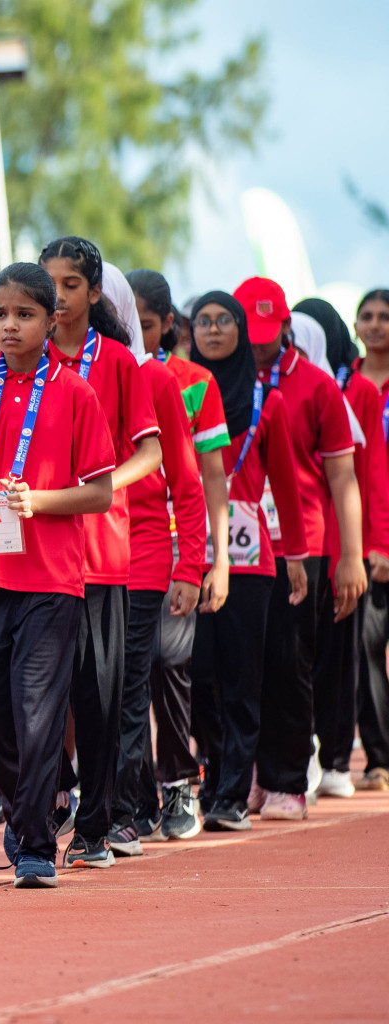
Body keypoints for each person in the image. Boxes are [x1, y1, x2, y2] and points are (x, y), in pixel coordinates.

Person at [0, 262, 116, 889]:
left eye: (24, 314)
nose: (9, 326)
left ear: (51, 319)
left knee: (37, 711)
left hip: (50, 579)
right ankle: (36, 801)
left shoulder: (75, 392)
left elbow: (99, 494)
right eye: (0, 314)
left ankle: (36, 844)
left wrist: (36, 501)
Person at [38, 238, 161, 869]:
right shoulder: (21, 361)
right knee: (20, 697)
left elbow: (151, 452)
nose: (57, 297)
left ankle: (99, 823)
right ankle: (46, 804)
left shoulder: (115, 362)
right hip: (31, 552)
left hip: (100, 551)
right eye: (48, 283)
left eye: (69, 284)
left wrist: (103, 483)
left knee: (100, 696)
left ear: (93, 293)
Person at [238, 277, 367, 821]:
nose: (262, 344)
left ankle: (288, 778)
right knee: (241, 665)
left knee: (291, 665)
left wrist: (351, 555)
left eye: (271, 334)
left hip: (302, 544)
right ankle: (245, 776)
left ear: (288, 328)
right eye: (254, 333)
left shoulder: (316, 385)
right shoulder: (224, 382)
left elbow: (343, 478)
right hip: (239, 545)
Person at [186, 290, 308, 830]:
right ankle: (211, 777)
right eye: (203, 322)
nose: (212, 331)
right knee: (197, 676)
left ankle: (233, 794)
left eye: (224, 321)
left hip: (251, 562)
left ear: (240, 331)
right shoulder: (178, 392)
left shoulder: (269, 401)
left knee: (240, 678)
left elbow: (284, 484)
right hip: (187, 550)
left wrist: (297, 558)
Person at [105, 270, 215, 854]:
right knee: (106, 686)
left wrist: (189, 566)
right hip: (87, 559)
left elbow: (187, 481)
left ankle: (175, 786)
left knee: (158, 673)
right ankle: (128, 800)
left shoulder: (154, 378)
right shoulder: (57, 378)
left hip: (148, 550)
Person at [126, 268, 232, 840]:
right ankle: (137, 792)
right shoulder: (111, 374)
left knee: (171, 665)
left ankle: (179, 785)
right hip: (121, 543)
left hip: (177, 543)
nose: (137, 335)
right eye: (128, 324)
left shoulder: (194, 383)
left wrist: (217, 558)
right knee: (127, 675)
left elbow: (209, 476)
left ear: (168, 325)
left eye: (146, 325)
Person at [294, 296, 389, 801]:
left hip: (342, 541)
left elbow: (366, 476)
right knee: (297, 656)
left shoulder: (354, 392)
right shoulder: (282, 388)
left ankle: (338, 757)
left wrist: (370, 546)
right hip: (299, 541)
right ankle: (302, 756)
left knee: (345, 655)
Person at [352, 288, 389, 792]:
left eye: (386, 317)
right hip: (365, 541)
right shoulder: (347, 382)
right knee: (366, 648)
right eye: (368, 316)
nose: (377, 324)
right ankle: (378, 756)